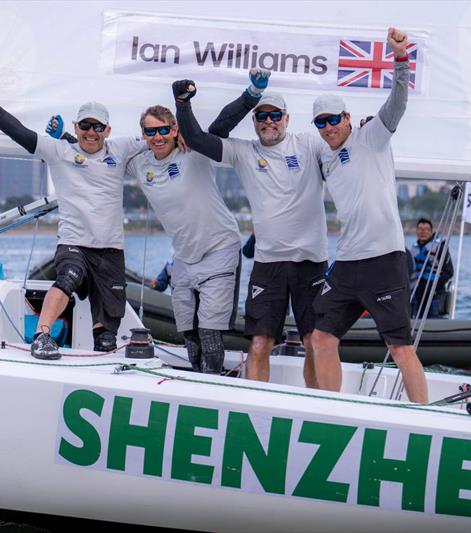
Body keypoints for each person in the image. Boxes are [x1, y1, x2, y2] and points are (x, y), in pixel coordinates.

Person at [175, 70, 329, 388]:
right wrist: (186, 104)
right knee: (259, 345)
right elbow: (201, 138)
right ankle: (257, 411)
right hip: (268, 265)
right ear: (255, 120)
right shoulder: (245, 152)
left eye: (275, 115)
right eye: (262, 116)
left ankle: (319, 408)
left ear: (287, 119)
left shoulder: (310, 145)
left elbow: (346, 153)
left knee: (315, 343)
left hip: (310, 263)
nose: (268, 121)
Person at [0, 80, 142, 360]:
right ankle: (42, 336)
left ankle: (102, 361)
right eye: (85, 126)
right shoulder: (59, 151)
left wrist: (178, 132)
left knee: (108, 333)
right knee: (68, 277)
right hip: (74, 242)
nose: (91, 132)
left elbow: (158, 141)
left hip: (111, 249)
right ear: (76, 127)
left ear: (107, 131)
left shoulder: (120, 150)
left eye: (98, 127)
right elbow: (18, 132)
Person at [309, 27, 429, 403]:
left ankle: (425, 419)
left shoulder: (370, 137)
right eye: (320, 123)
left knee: (399, 348)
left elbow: (398, 104)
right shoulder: (323, 156)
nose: (328, 128)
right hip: (347, 261)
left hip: (384, 259)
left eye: (333, 120)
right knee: (321, 337)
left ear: (347, 117)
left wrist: (399, 59)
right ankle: (331, 411)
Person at [124, 104, 246, 374]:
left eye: (164, 130)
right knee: (189, 335)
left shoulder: (193, 151)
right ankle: (197, 384)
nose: (158, 137)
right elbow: (102, 155)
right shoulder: (139, 163)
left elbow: (221, 127)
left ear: (175, 129)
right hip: (183, 256)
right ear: (142, 134)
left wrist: (250, 97)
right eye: (150, 131)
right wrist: (67, 139)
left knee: (209, 332)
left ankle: (212, 384)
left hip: (220, 248)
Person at [409, 217, 453, 318]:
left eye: (426, 229)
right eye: (420, 229)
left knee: (432, 321)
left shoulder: (440, 248)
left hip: (433, 294)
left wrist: (435, 286)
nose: (423, 232)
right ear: (416, 231)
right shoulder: (413, 248)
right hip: (416, 294)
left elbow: (449, 271)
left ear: (431, 231)